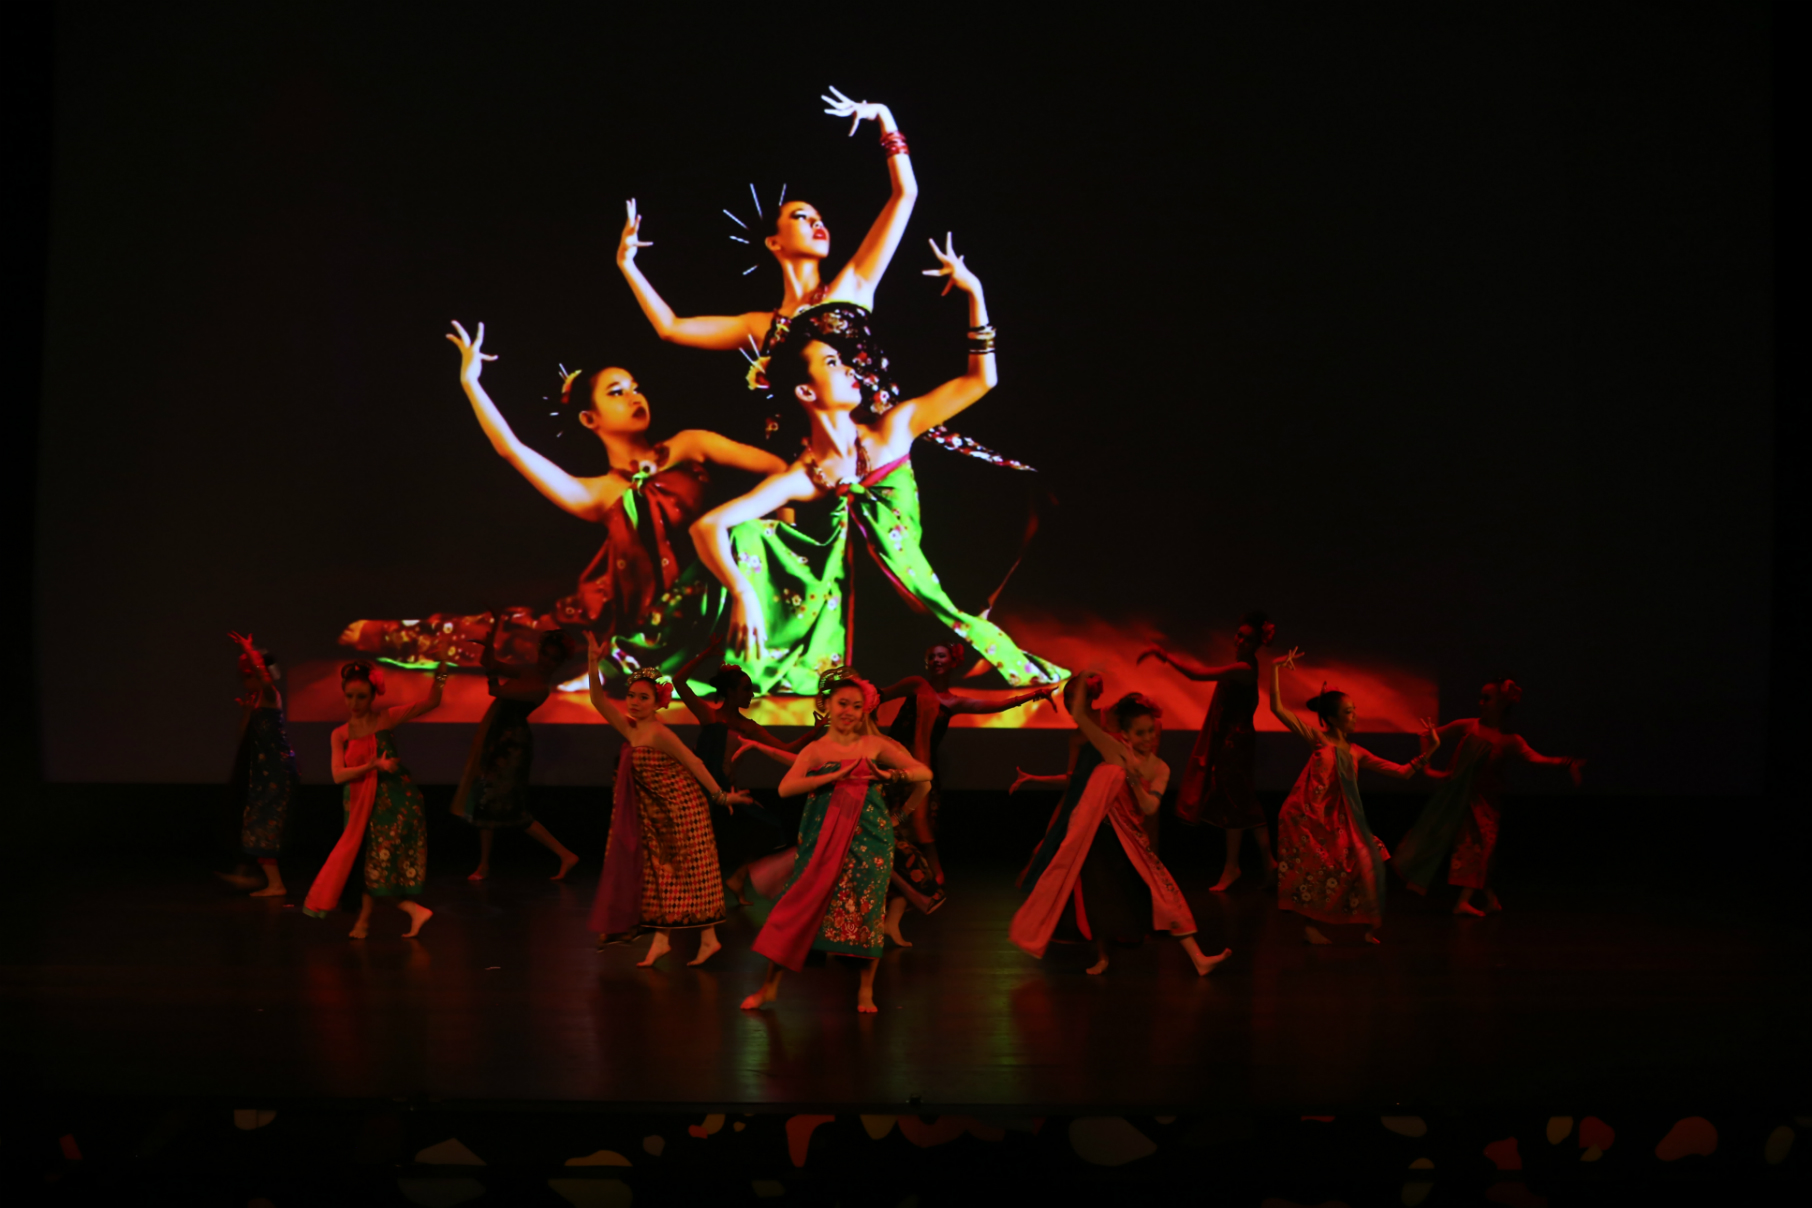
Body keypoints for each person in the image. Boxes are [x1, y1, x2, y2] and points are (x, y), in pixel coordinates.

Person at [689, 235, 1065, 694]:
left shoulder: (893, 430)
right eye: (832, 363)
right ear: (806, 391)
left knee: (1021, 500)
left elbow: (981, 379)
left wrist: (975, 293)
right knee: (752, 532)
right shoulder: (806, 475)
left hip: (930, 623)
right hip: (866, 643)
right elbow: (708, 526)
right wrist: (743, 592)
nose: (850, 369)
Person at [338, 322, 787, 679]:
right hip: (640, 620)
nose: (634, 396)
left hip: (715, 593)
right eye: (617, 392)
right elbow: (511, 450)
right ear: (590, 419)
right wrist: (471, 383)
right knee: (511, 641)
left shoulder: (691, 445)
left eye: (635, 387)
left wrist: (777, 531)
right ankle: (391, 634)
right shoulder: (596, 493)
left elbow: (778, 470)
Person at [616, 89, 1022, 470]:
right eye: (801, 217)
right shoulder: (761, 327)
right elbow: (671, 328)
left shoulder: (853, 284)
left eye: (819, 218)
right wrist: (627, 265)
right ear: (774, 242)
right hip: (816, 464)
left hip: (887, 446)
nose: (817, 224)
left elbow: (905, 194)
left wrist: (884, 118)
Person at [1011, 677, 1231, 977]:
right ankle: (1103, 957)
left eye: (1151, 731)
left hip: (1133, 840)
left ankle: (1198, 958)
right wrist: (1085, 679)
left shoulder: (1159, 768)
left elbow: (1150, 807)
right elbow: (1081, 719)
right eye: (1141, 732)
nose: (1149, 738)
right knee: (1100, 898)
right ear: (1125, 734)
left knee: (1164, 893)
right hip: (1101, 837)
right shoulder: (1114, 750)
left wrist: (1133, 780)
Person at [740, 669, 932, 1013]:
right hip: (821, 841)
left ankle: (866, 992)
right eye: (842, 703)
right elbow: (785, 788)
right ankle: (769, 988)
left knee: (867, 911)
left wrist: (892, 777)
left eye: (856, 706)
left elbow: (924, 774)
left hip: (871, 840)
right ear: (826, 704)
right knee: (797, 908)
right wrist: (830, 777)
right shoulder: (816, 750)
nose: (849, 711)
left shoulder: (875, 745)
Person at [584, 636, 753, 967]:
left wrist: (721, 796)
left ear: (657, 702)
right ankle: (671, 942)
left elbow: (695, 763)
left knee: (688, 875)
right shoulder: (632, 729)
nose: (635, 702)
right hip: (658, 813)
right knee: (662, 878)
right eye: (632, 696)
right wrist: (593, 662)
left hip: (683, 810)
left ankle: (705, 940)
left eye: (643, 698)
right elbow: (598, 701)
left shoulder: (660, 733)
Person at [1267, 649, 1439, 945]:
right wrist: (1274, 669)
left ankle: (1368, 926)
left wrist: (1430, 751)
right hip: (1309, 818)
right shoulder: (1319, 740)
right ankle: (1310, 927)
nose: (1355, 715)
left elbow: (1402, 773)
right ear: (1332, 719)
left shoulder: (1357, 752)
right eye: (1349, 711)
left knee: (1371, 855)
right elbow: (1278, 709)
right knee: (1316, 870)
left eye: (1354, 709)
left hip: (1340, 822)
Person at [1392, 679, 1585, 915]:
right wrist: (1428, 768)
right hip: (1458, 797)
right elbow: (1427, 735)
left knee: (1481, 849)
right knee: (1469, 846)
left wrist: (1566, 762)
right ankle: (1465, 901)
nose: (1480, 702)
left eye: (1487, 698)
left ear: (1502, 704)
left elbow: (1536, 759)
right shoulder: (1468, 726)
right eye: (1481, 697)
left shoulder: (1510, 740)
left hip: (1485, 802)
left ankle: (1484, 899)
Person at [670, 634, 820, 904]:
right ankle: (688, 894)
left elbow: (787, 749)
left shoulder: (749, 727)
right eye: (746, 689)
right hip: (701, 791)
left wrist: (815, 732)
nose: (752, 694)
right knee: (695, 843)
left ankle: (738, 877)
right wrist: (705, 654)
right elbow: (678, 681)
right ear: (730, 692)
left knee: (772, 830)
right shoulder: (709, 715)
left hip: (730, 792)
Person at [302, 660, 446, 939]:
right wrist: (372, 765)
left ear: (373, 696)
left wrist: (441, 671)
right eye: (349, 696)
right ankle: (400, 914)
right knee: (368, 869)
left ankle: (370, 921)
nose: (354, 703)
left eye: (361, 696)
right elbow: (338, 776)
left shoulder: (386, 719)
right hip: (359, 806)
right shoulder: (339, 734)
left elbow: (432, 702)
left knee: (374, 870)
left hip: (393, 804)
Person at [1140, 611, 1278, 891]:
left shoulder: (1244, 668)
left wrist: (1164, 655)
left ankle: (1249, 865)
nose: (1239, 640)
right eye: (1239, 635)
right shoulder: (1243, 666)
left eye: (1247, 638)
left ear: (1257, 644)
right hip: (1233, 741)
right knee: (1238, 803)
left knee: (1237, 803)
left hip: (1234, 744)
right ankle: (1251, 865)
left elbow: (1196, 675)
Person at [451, 616, 581, 882]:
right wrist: (492, 637)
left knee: (513, 810)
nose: (546, 660)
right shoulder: (527, 672)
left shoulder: (541, 688)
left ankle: (565, 854)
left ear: (559, 663)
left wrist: (491, 674)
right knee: (485, 803)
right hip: (497, 739)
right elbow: (490, 664)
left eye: (553, 658)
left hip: (512, 748)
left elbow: (496, 691)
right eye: (545, 654)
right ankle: (484, 865)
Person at [217, 632, 299, 897]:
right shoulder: (255, 702)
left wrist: (249, 651)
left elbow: (265, 678)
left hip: (276, 769)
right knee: (256, 822)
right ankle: (260, 878)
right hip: (264, 772)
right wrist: (245, 714)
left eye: (248, 675)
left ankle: (275, 884)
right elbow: (244, 737)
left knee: (265, 823)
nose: (245, 681)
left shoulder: (270, 694)